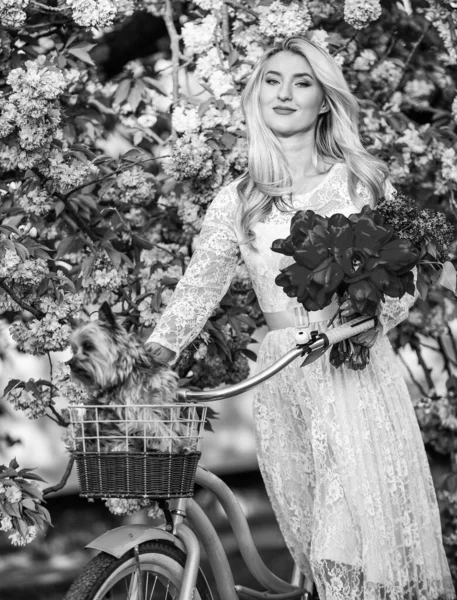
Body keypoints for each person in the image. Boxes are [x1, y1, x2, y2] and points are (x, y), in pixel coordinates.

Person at [146, 36, 455, 600]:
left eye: (302, 82)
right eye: (272, 80)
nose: (284, 94)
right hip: (284, 375)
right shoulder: (238, 198)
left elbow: (405, 284)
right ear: (255, 95)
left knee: (355, 538)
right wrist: (147, 359)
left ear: (324, 101)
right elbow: (198, 288)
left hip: (350, 371)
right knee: (312, 538)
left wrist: (353, 321)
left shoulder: (362, 182)